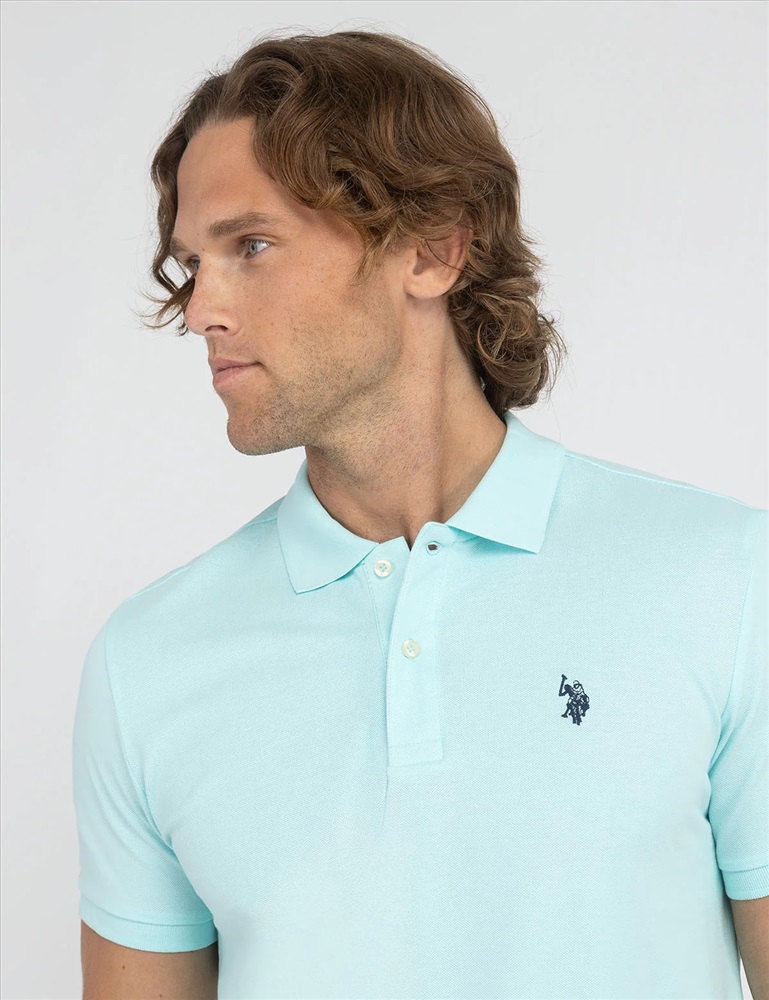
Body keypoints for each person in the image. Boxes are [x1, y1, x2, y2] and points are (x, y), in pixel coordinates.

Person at [72, 28, 768, 1000]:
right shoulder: (146, 662)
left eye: (252, 246)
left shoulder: (725, 583)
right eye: (195, 262)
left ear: (433, 250)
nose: (200, 310)